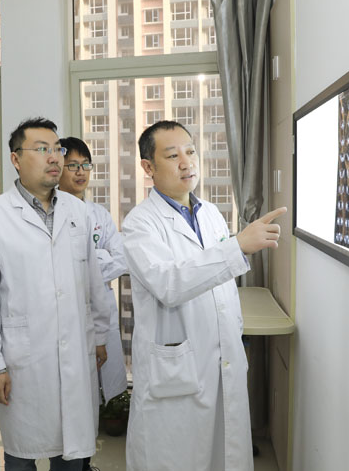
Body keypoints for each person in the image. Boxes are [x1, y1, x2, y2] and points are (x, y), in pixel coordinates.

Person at [122, 121, 286, 471]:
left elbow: (219, 285)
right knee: (177, 458)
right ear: (148, 167)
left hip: (221, 357)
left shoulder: (210, 213)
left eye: (190, 151)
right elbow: (169, 284)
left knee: (224, 455)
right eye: (172, 155)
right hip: (177, 369)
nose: (186, 162)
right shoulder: (140, 224)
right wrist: (238, 246)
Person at [0, 118, 111, 471]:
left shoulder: (78, 212)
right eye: (42, 149)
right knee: (22, 454)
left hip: (76, 349)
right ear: (16, 159)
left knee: (72, 454)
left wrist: (98, 337)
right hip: (24, 360)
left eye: (57, 149)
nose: (54, 157)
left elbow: (93, 283)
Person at [57, 137, 128, 471]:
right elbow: (60, 269)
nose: (80, 172)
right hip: (67, 317)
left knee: (92, 396)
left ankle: (84, 463)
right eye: (72, 165)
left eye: (85, 165)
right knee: (70, 397)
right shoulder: (53, 214)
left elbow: (121, 259)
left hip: (98, 314)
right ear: (57, 169)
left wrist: (89, 263)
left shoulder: (99, 214)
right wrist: (98, 260)